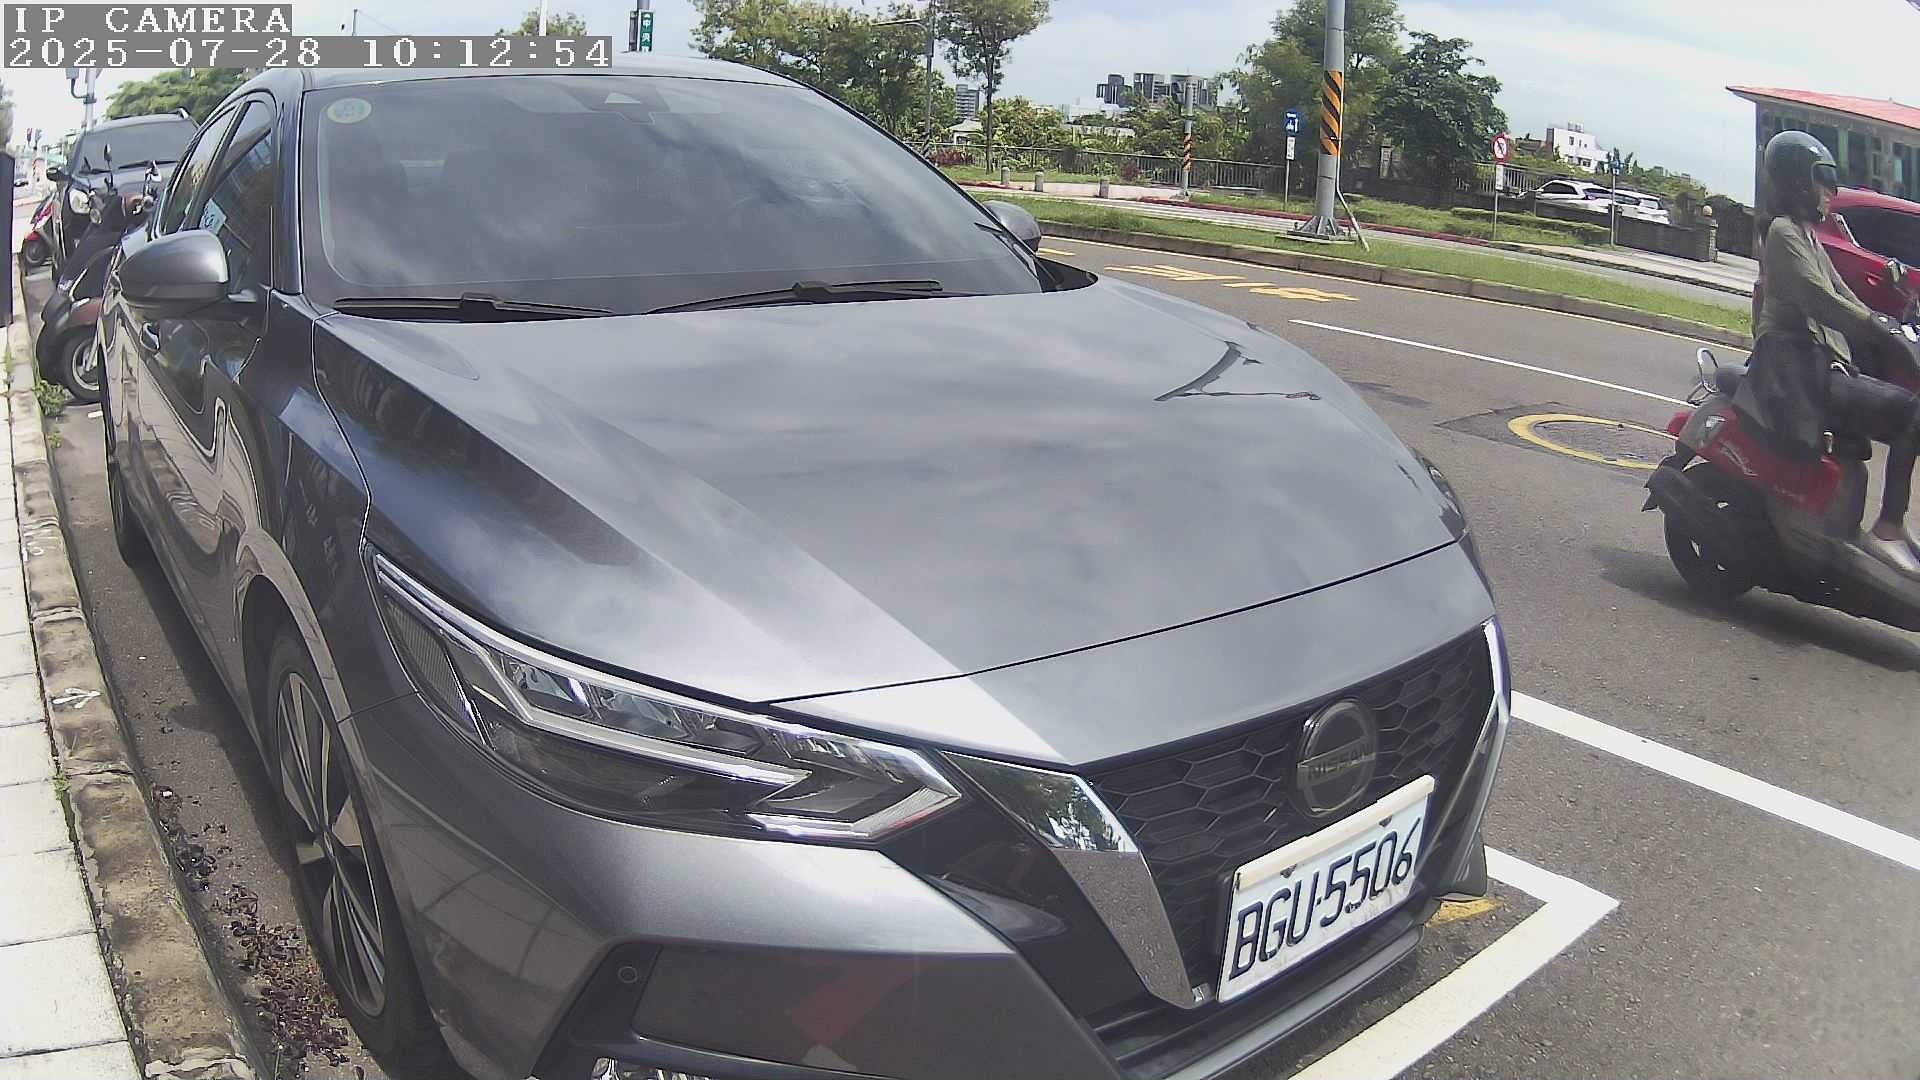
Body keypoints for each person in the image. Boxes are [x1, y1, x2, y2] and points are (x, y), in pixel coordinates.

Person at [1736, 130, 1920, 575]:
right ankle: (1888, 528)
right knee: (1910, 412)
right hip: (1797, 373)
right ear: (1798, 182)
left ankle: (1878, 526)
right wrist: (1883, 334)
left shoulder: (1808, 236)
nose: (1830, 193)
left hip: (1819, 367)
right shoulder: (1783, 233)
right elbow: (1821, 299)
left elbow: (1844, 294)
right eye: (1824, 182)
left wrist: (1892, 322)